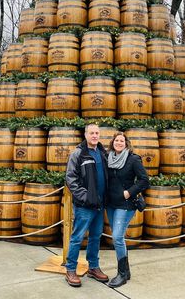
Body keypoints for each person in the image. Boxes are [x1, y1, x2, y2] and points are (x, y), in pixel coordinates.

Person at [65, 123, 109, 287]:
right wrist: (85, 197)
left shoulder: (102, 152)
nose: (95, 136)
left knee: (95, 237)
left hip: (100, 204)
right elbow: (71, 179)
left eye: (97, 133)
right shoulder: (78, 153)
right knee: (77, 238)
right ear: (85, 135)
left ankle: (93, 267)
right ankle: (70, 270)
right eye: (91, 133)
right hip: (85, 205)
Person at [106, 131, 150, 288]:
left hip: (126, 204)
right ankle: (127, 270)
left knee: (117, 237)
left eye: (121, 141)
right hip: (111, 203)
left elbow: (145, 180)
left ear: (126, 143)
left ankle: (122, 274)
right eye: (116, 140)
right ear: (113, 143)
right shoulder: (108, 158)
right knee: (119, 238)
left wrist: (129, 192)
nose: (119, 143)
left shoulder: (133, 159)